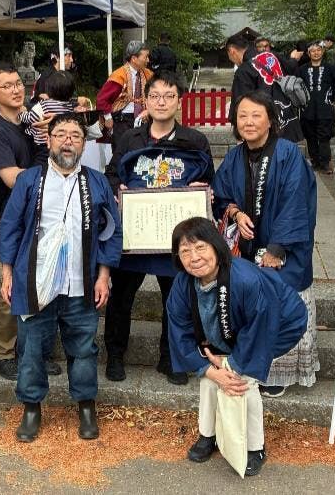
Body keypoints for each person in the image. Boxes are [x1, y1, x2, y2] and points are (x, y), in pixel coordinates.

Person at [0, 112, 122, 443]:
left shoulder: (96, 182)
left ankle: (85, 405)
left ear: (84, 144)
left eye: (75, 135)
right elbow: (10, 226)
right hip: (35, 282)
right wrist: (7, 273)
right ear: (49, 140)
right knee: (31, 348)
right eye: (61, 134)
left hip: (81, 282)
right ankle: (31, 407)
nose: (68, 141)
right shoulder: (29, 180)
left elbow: (111, 231)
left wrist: (104, 275)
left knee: (83, 348)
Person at [167, 217, 307, 477]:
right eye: (185, 251)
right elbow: (179, 331)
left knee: (242, 381)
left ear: (216, 246)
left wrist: (232, 365)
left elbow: (259, 328)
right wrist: (209, 369)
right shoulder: (182, 284)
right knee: (210, 378)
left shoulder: (245, 279)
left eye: (200, 248)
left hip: (277, 325)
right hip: (226, 335)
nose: (194, 258)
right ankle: (207, 435)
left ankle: (255, 447)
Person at [103, 71, 215, 385]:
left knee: (176, 301)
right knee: (121, 298)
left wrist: (204, 191)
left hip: (176, 237)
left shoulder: (194, 140)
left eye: (169, 96)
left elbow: (210, 181)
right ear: (146, 100)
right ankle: (115, 354)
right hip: (136, 233)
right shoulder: (130, 139)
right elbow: (111, 174)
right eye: (154, 96)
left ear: (179, 102)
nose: (161, 102)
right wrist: (117, 189)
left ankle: (172, 358)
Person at [213, 90, 318, 397]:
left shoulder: (288, 154)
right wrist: (235, 213)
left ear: (271, 120)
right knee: (251, 305)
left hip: (280, 251)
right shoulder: (234, 157)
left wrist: (277, 248)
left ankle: (278, 372)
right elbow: (220, 197)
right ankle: (248, 364)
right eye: (242, 116)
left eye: (256, 115)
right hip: (245, 250)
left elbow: (297, 201)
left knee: (280, 303)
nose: (248, 122)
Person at [0, 62, 60, 380]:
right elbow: (13, 178)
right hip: (17, 212)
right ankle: (3, 353)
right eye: (7, 85)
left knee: (47, 277)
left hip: (48, 209)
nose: (16, 90)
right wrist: (45, 158)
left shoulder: (36, 117)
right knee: (13, 282)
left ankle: (36, 349)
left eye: (18, 83)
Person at [225, 33, 303, 142]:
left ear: (232, 51)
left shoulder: (244, 70)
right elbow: (292, 67)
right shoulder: (272, 56)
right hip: (288, 120)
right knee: (288, 151)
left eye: (229, 56)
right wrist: (294, 59)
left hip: (265, 131)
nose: (231, 59)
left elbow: (240, 105)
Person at [96, 40, 153, 152]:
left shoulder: (148, 74)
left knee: (140, 153)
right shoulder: (119, 76)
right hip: (122, 121)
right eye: (145, 57)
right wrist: (108, 118)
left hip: (142, 120)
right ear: (134, 58)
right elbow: (101, 99)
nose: (148, 60)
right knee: (121, 153)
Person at [299, 40, 335, 173]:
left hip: (325, 108)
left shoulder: (331, 68)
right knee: (310, 137)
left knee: (324, 137)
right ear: (308, 53)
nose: (316, 53)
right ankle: (315, 161)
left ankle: (325, 163)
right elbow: (297, 87)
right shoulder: (302, 69)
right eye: (313, 51)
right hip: (307, 109)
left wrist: (334, 99)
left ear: (323, 51)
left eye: (318, 50)